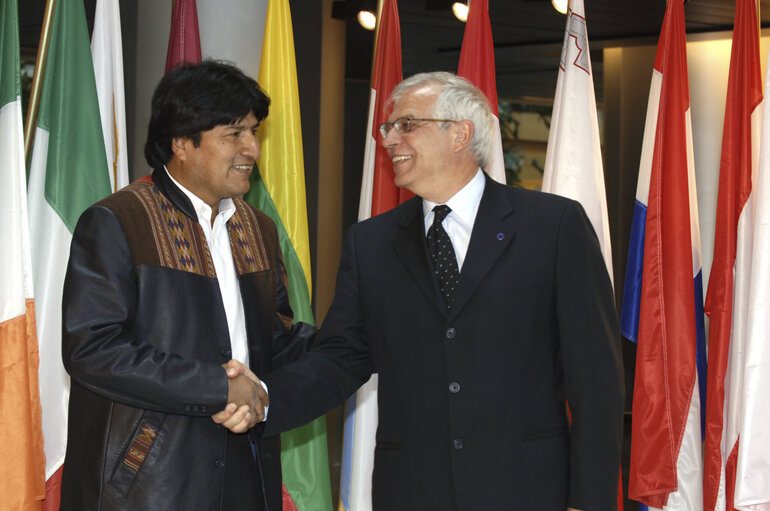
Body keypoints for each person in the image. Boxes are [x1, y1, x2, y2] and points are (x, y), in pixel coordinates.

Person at [259, 72, 624, 510]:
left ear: (460, 133)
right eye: (386, 128)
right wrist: (261, 401)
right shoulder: (370, 241)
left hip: (529, 489)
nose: (389, 139)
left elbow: (595, 377)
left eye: (407, 125)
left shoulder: (553, 226)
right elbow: (341, 356)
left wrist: (590, 500)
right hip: (413, 491)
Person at [60, 60, 310, 511]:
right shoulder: (119, 222)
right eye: (234, 134)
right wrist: (216, 387)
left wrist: (355, 335)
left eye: (253, 131)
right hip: (148, 482)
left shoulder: (259, 229)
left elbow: (276, 339)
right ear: (181, 143)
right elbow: (91, 349)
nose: (251, 148)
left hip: (246, 472)